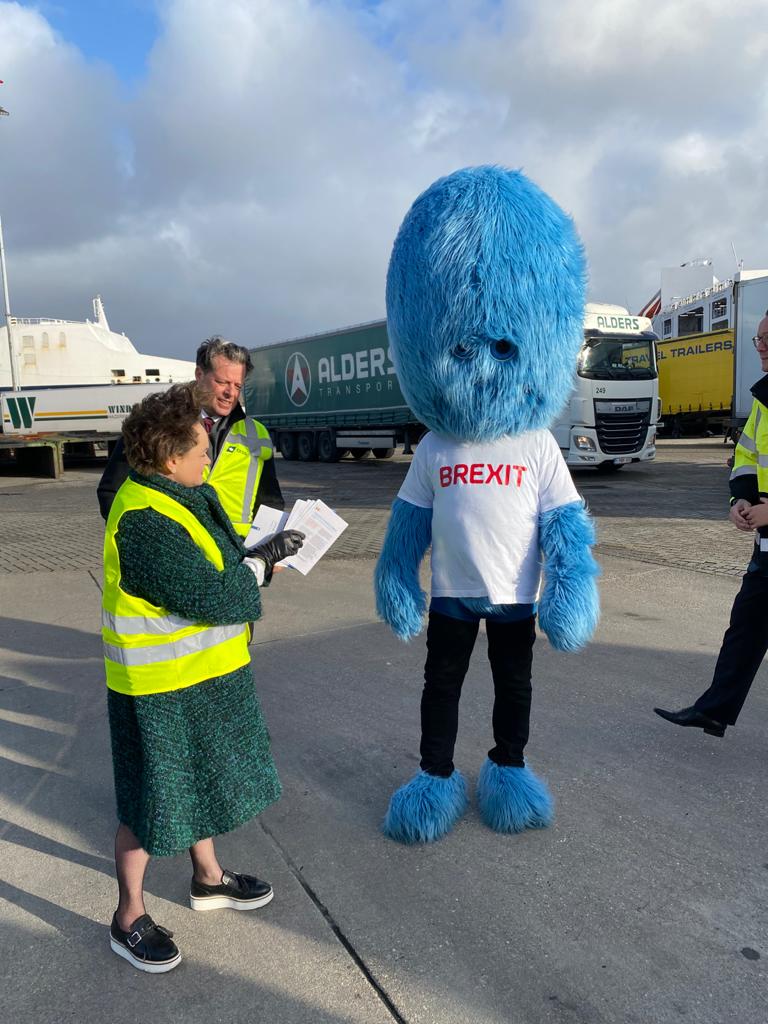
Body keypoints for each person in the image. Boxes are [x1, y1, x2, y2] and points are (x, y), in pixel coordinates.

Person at [103, 383, 304, 973]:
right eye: (200, 450)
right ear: (170, 460)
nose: (209, 457)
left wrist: (258, 551)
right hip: (158, 691)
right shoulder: (145, 517)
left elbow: (219, 559)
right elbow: (210, 591)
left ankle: (208, 879)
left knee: (198, 784)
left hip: (199, 678)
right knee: (151, 803)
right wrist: (260, 567)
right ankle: (128, 917)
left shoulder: (180, 495)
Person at [654, 314, 768, 738]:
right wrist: (740, 498)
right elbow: (747, 457)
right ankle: (714, 710)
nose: (760, 345)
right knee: (746, 627)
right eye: (758, 338)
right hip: (766, 545)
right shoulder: (765, 398)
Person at [98, 336, 283, 532]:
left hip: (237, 555)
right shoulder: (157, 422)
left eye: (238, 385)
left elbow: (270, 503)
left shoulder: (256, 434)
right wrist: (148, 541)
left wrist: (267, 550)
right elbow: (112, 492)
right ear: (199, 374)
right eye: (222, 382)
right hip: (175, 552)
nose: (231, 393)